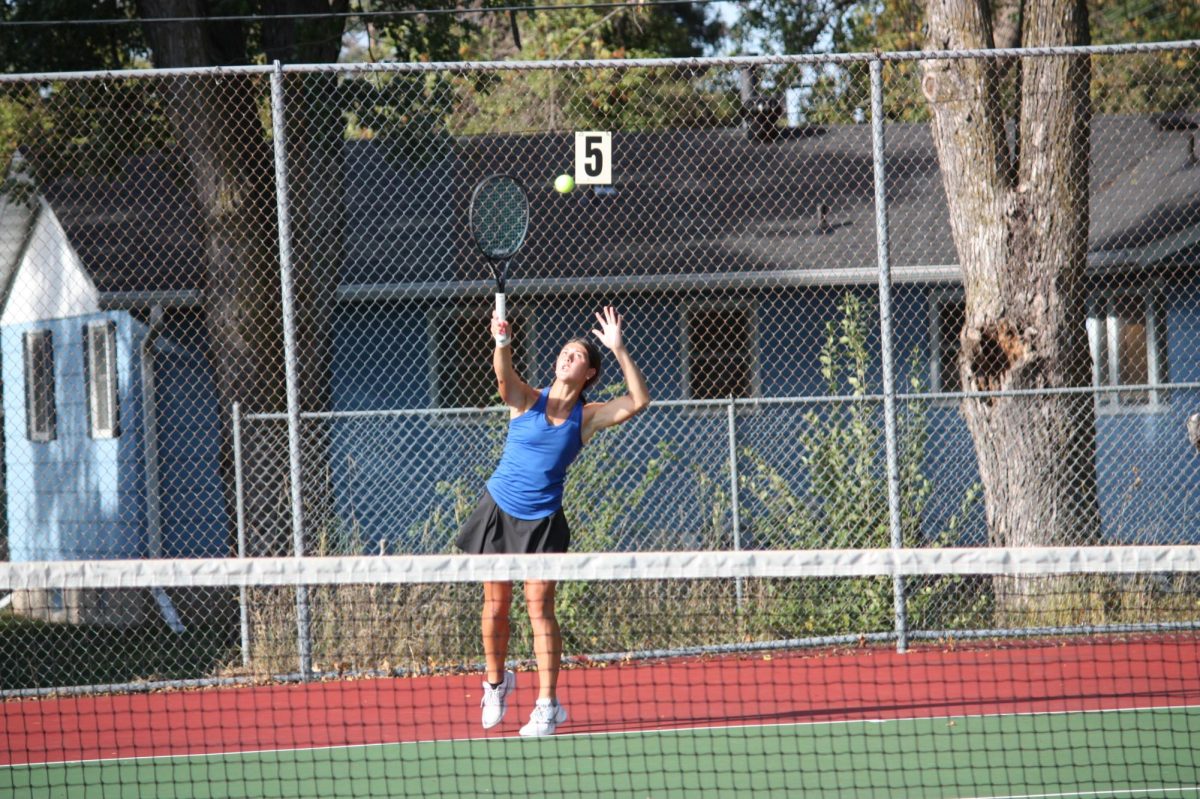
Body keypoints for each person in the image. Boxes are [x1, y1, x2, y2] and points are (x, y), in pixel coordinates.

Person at [456, 305, 650, 737]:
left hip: (543, 524)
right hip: (499, 513)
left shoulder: (588, 417)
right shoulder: (528, 399)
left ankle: (547, 705)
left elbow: (638, 401)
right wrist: (501, 341)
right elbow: (504, 379)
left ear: (589, 374)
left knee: (540, 610)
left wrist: (617, 348)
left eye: (578, 355)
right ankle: (495, 683)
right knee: (495, 608)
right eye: (565, 351)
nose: (567, 356)